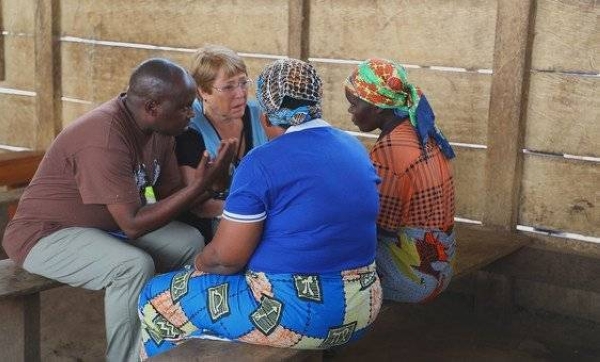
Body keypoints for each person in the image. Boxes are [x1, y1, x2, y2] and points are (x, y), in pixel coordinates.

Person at [138, 58, 383, 360]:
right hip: (363, 306)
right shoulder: (353, 147)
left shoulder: (262, 161)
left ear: (265, 118)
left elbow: (225, 260)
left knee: (156, 298)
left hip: (299, 314)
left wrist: (196, 266)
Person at [2, 58, 235, 362]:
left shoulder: (161, 133)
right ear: (153, 107)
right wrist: (197, 188)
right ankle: (125, 357)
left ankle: (172, 339)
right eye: (184, 108)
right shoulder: (105, 137)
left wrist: (210, 183)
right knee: (131, 266)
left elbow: (167, 196)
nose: (192, 114)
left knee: (189, 241)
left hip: (104, 226)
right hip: (45, 234)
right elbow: (133, 225)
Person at [344, 58, 457, 303]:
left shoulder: (389, 151)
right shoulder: (421, 131)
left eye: (354, 104)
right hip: (442, 267)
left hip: (413, 279)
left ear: (377, 107)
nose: (350, 111)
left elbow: (379, 225)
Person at [175, 45, 268, 242]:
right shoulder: (189, 129)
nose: (240, 93)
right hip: (216, 222)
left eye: (243, 83)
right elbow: (199, 206)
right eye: (229, 86)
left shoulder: (261, 115)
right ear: (203, 91)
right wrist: (253, 211)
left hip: (260, 211)